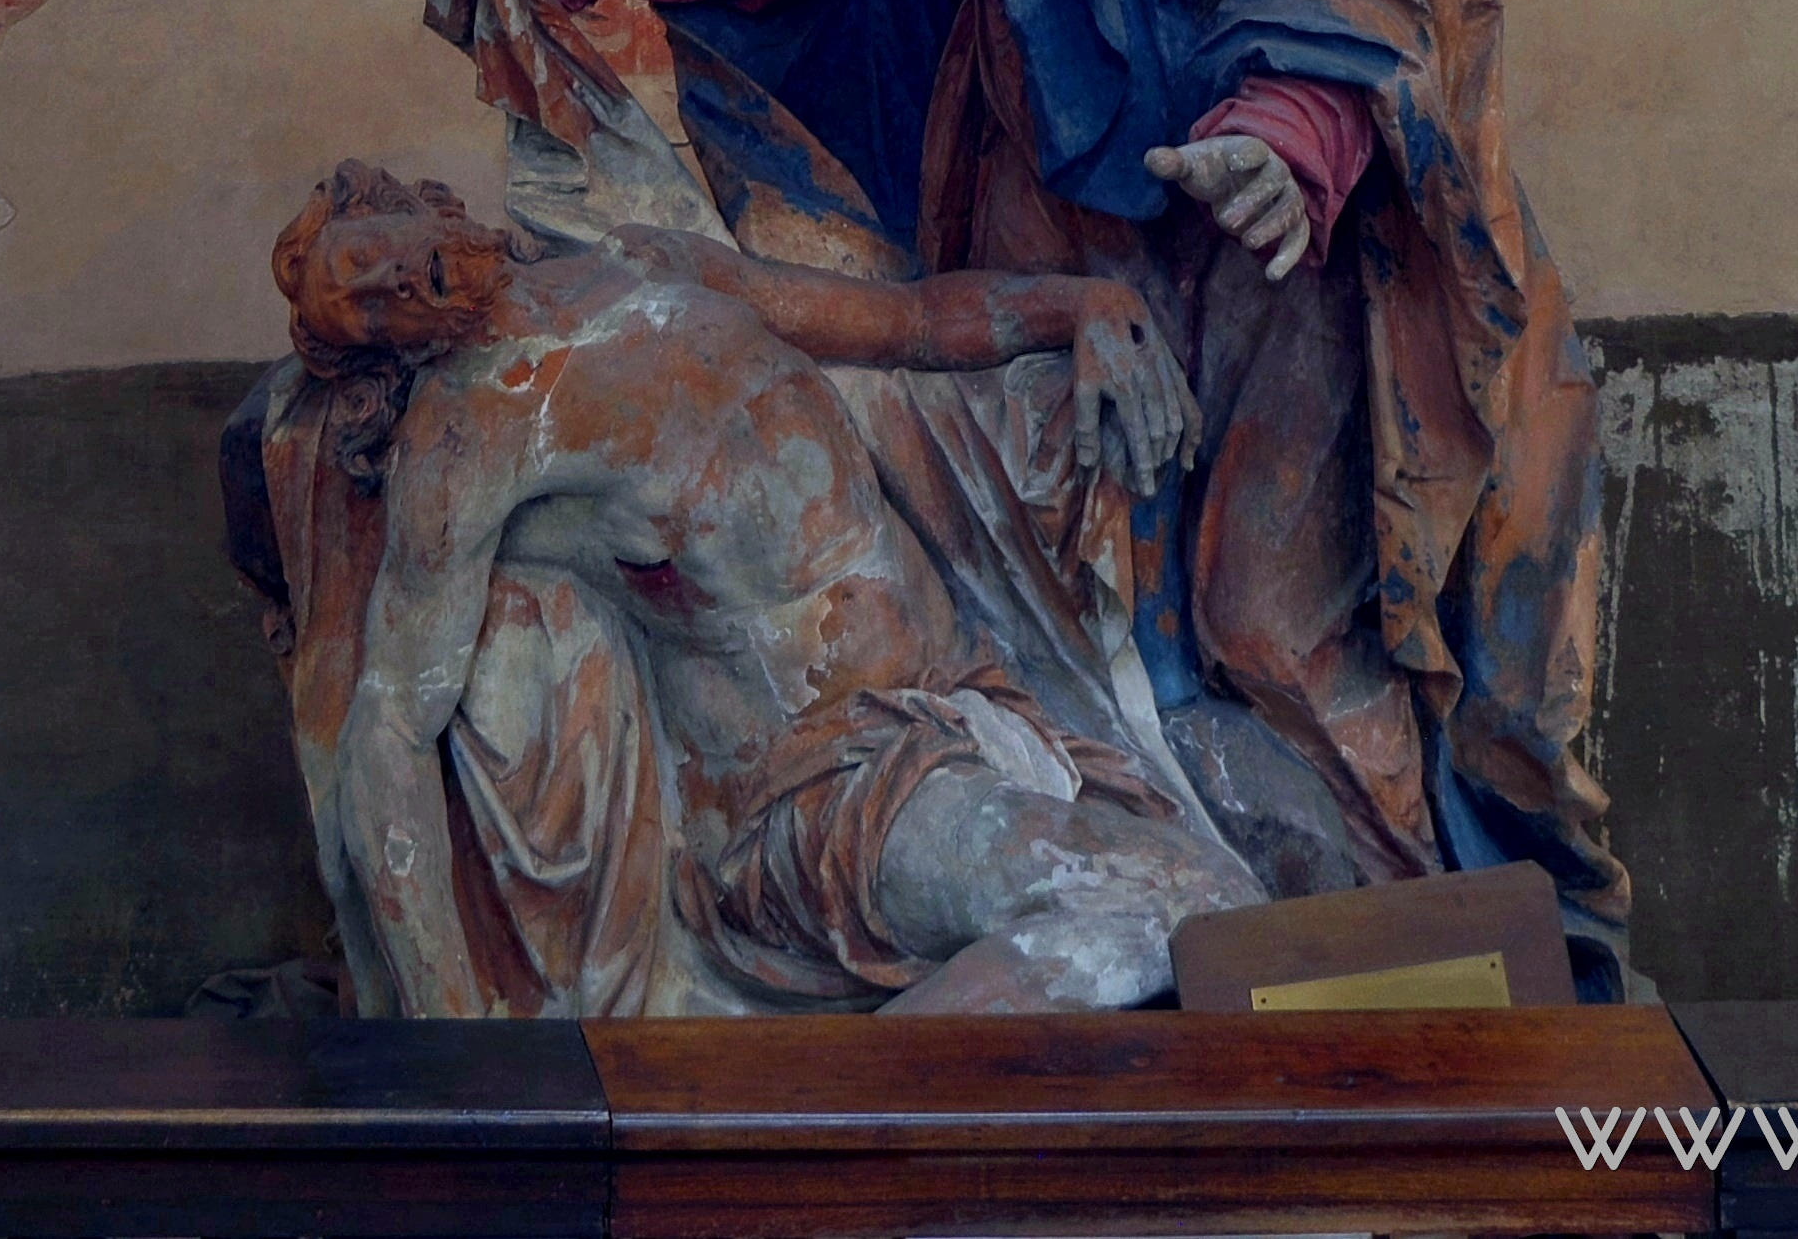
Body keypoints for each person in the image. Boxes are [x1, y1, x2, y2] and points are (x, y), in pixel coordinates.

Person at [410, 0, 1625, 984]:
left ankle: (1397, 969)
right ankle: (1155, 930)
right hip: (1033, 179)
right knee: (1065, 590)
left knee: (1266, 614)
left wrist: (1281, 135)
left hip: (1241, 211)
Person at [239, 160, 1260, 1016]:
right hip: (822, 791)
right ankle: (804, 1144)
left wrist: (1084, 303)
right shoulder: (469, 432)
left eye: (364, 249)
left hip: (964, 707)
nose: (389, 284)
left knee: (1242, 911)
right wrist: (449, 1041)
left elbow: (906, 322)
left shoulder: (649, 262)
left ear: (404, 198)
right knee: (1189, 902)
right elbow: (389, 728)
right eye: (364, 306)